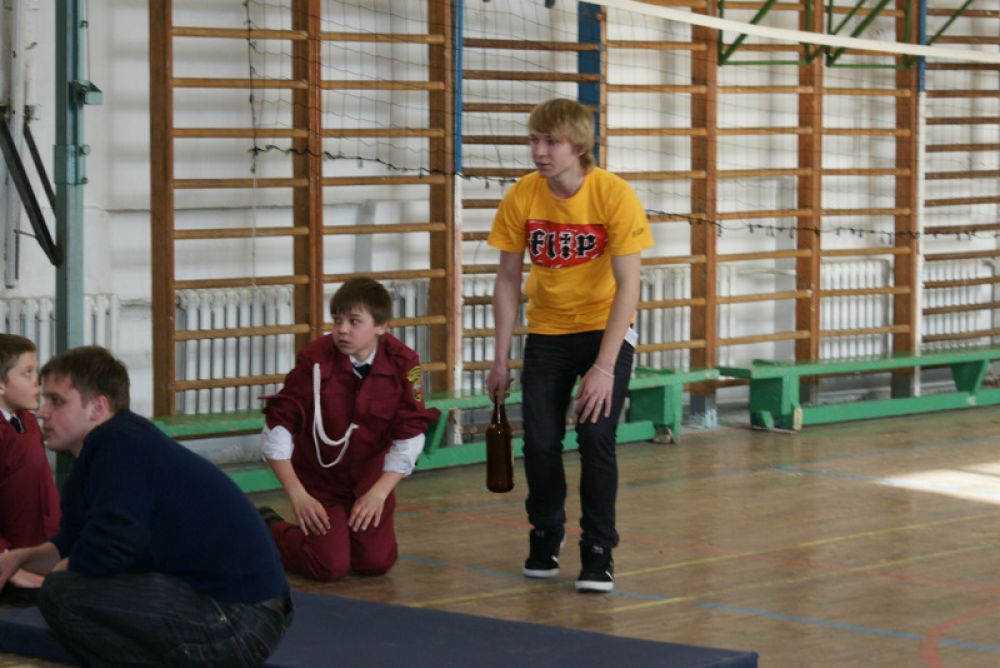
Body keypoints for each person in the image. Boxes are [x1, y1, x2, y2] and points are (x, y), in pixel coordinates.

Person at [0, 346, 292, 667]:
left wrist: (59, 573)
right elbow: (70, 543)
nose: (42, 412)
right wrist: (19, 559)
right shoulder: (98, 455)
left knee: (61, 592)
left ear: (97, 407)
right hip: (238, 615)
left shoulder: (121, 446)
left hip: (239, 622)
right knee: (63, 589)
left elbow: (109, 550)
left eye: (57, 401)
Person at [486, 98, 653, 593]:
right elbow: (507, 278)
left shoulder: (614, 195)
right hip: (549, 332)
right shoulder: (522, 195)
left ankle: (599, 549)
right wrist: (499, 358)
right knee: (539, 441)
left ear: (578, 146)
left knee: (596, 436)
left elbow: (629, 285)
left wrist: (604, 367)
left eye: (551, 142)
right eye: (534, 140)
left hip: (605, 329)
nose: (539, 151)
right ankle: (546, 531)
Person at [259, 276, 439, 581]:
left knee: (376, 563)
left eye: (354, 321)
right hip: (321, 479)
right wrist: (298, 494)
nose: (342, 329)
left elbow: (409, 434)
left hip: (369, 480)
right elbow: (278, 426)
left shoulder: (404, 363)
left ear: (381, 326)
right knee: (329, 566)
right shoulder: (314, 360)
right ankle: (268, 529)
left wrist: (379, 493)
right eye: (337, 320)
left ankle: (343, 536)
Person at [0, 334, 60, 605]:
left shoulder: (27, 420)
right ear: (1, 384)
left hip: (38, 548)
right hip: (11, 562)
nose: (37, 382)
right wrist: (8, 564)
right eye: (27, 373)